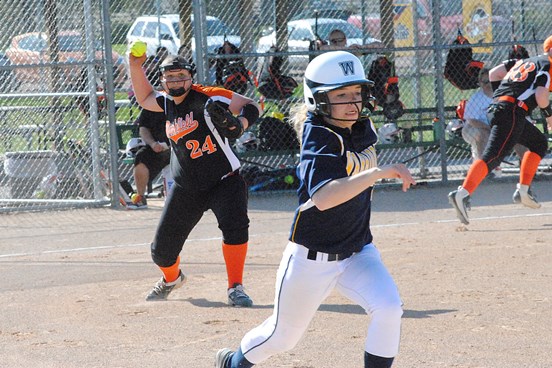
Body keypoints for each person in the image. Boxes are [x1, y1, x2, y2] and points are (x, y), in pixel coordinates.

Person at [215, 51, 416, 368]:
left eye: (356, 93)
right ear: (318, 99)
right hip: (312, 258)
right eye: (341, 95)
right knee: (283, 337)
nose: (353, 102)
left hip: (357, 250)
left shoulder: (360, 125)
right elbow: (324, 197)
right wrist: (377, 174)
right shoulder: (318, 136)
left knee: (389, 307)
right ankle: (233, 363)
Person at [128, 51, 262, 306]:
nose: (176, 82)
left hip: (224, 178)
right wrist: (134, 65)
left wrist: (241, 125)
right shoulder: (165, 102)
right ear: (163, 81)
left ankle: (235, 287)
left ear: (191, 77)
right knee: (162, 251)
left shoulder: (209, 95)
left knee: (235, 227)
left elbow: (253, 105)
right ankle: (171, 279)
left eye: (182, 76)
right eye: (170, 77)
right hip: (186, 186)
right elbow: (144, 97)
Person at [448, 36, 552, 225]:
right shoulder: (547, 65)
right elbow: (541, 95)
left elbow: (494, 73)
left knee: (538, 143)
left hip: (506, 110)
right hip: (512, 111)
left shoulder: (524, 61)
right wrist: (549, 116)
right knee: (493, 156)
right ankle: (462, 193)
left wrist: (501, 96)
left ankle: (523, 190)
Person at [461, 66, 527, 176]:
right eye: (484, 81)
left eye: (490, 81)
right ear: (480, 83)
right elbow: (471, 120)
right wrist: (488, 128)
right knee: (483, 134)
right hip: (472, 128)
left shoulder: (503, 95)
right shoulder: (476, 98)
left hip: (497, 127)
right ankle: (484, 169)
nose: (488, 84)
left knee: (518, 133)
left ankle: (526, 169)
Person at [127, 108, 171, 210]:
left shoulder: (179, 101)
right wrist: (152, 143)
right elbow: (143, 129)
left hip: (181, 146)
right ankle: (140, 198)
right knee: (141, 157)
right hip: (158, 147)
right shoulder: (151, 105)